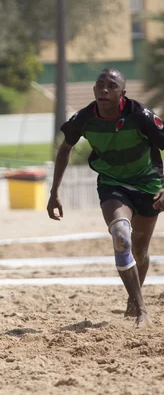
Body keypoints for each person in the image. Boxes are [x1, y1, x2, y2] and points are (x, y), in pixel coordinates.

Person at [47, 67, 164, 328]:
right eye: (100, 85)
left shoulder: (140, 115)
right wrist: (54, 192)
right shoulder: (84, 118)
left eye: (111, 86)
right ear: (94, 90)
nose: (104, 90)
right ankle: (142, 309)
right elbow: (66, 147)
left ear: (122, 93)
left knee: (141, 250)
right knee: (121, 236)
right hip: (113, 184)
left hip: (148, 184)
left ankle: (132, 303)